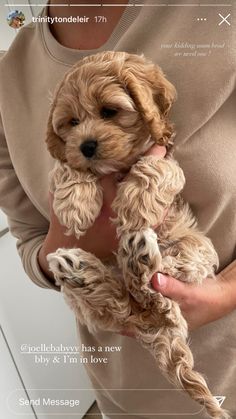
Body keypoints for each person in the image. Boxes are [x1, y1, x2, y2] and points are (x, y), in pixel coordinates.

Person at [0, 1, 235, 418]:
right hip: (129, 390)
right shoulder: (7, 77)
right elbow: (30, 240)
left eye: (110, 112)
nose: (87, 138)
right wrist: (63, 247)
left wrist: (227, 292)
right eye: (69, 125)